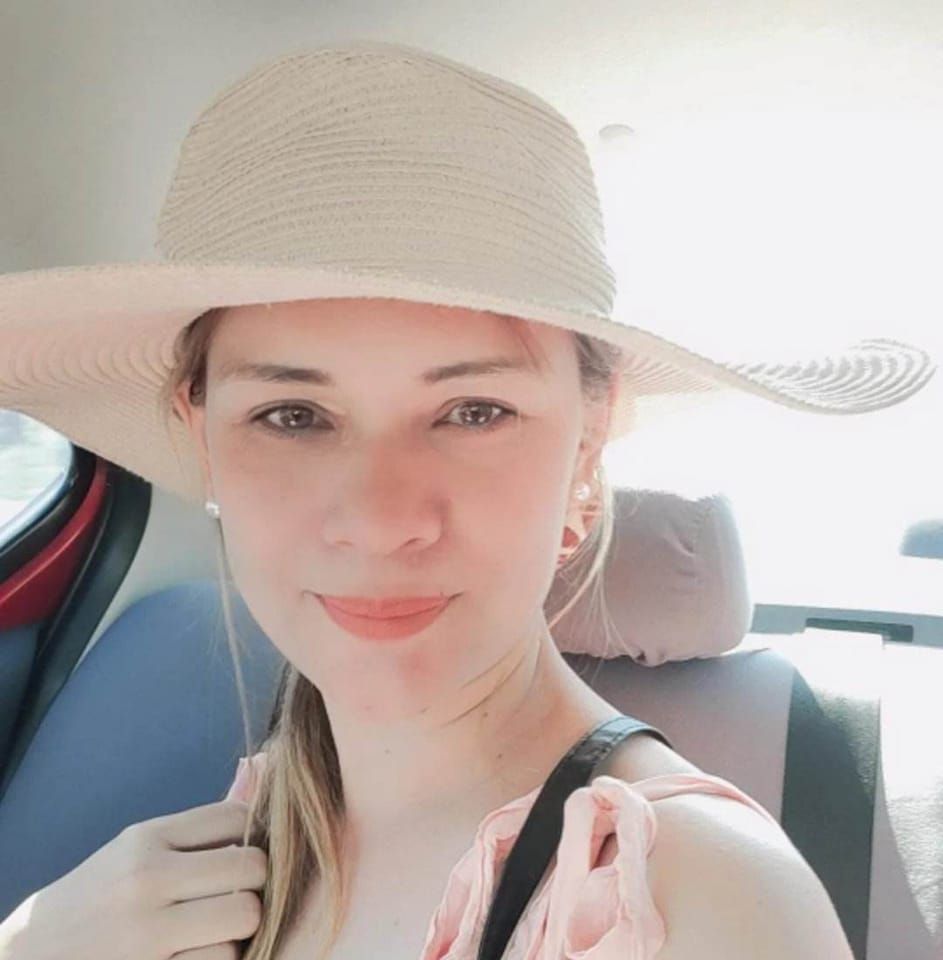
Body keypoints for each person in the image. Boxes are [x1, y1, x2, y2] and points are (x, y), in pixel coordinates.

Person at [0, 38, 934, 960]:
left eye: (474, 411)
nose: (380, 520)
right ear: (198, 432)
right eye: (293, 416)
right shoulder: (257, 818)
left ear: (587, 440)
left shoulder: (700, 906)